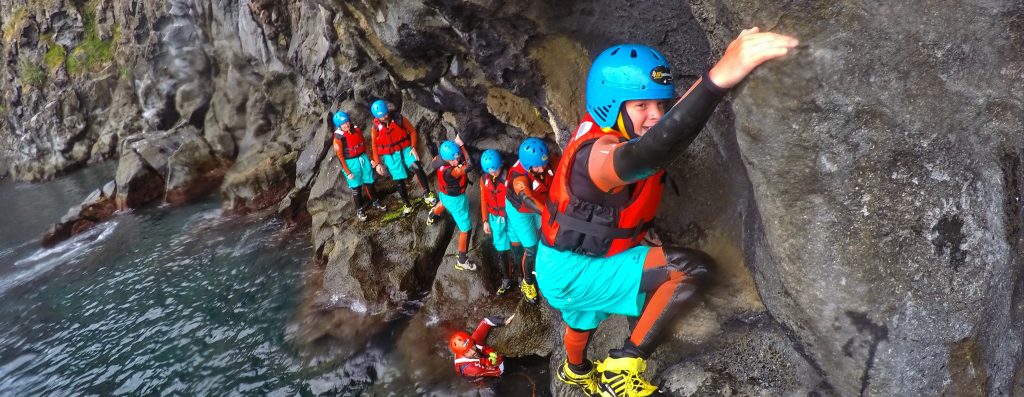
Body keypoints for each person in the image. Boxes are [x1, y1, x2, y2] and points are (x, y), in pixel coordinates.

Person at [537, 28, 799, 397]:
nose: (655, 116)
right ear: (611, 103)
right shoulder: (595, 156)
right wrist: (718, 78)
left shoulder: (603, 130)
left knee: (582, 318)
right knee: (692, 270)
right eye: (641, 105)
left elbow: (619, 194)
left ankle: (575, 370)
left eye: (661, 104)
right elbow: (648, 153)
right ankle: (623, 366)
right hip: (574, 273)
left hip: (559, 266)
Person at [505, 137, 554, 304]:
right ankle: (528, 282)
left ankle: (543, 268)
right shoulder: (519, 177)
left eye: (543, 164)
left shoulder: (544, 164)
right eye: (537, 166)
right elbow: (526, 197)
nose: (542, 168)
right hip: (521, 211)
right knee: (531, 249)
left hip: (540, 204)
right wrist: (548, 213)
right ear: (527, 165)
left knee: (544, 237)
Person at [369, 99, 438, 216]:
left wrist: (413, 147)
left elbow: (412, 131)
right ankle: (407, 204)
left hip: (405, 149)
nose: (385, 117)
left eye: (386, 113)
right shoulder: (375, 128)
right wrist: (377, 163)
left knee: (416, 167)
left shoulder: (398, 119)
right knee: (398, 180)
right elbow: (374, 145)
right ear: (377, 117)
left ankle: (427, 194)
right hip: (390, 155)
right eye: (382, 116)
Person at [427, 140, 477, 270]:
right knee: (466, 229)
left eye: (458, 157)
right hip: (456, 200)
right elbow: (470, 165)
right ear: (447, 159)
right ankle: (462, 260)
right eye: (455, 159)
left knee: (443, 203)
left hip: (444, 195)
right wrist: (462, 145)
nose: (458, 160)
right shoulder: (452, 171)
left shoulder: (438, 159)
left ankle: (432, 214)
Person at [331, 110, 385, 221]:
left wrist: (370, 159)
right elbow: (340, 156)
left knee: (370, 182)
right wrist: (348, 172)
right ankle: (360, 210)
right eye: (343, 124)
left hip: (363, 158)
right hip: (351, 163)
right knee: (356, 188)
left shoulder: (356, 129)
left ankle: (376, 202)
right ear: (339, 126)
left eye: (347, 122)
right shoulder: (338, 138)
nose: (346, 125)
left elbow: (364, 145)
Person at [479, 149, 518, 294]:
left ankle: (523, 277)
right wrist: (485, 221)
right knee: (501, 249)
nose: (494, 172)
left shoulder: (510, 176)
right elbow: (483, 199)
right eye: (490, 170)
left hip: (511, 217)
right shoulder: (484, 179)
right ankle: (507, 279)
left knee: (517, 246)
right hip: (495, 218)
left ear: (500, 164)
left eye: (495, 169)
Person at [450, 314, 516, 379]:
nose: (473, 351)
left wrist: (505, 321)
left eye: (472, 346)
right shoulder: (472, 369)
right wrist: (496, 360)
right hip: (474, 376)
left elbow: (486, 321)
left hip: (477, 361)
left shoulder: (473, 340)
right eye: (467, 351)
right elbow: (498, 371)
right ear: (462, 354)